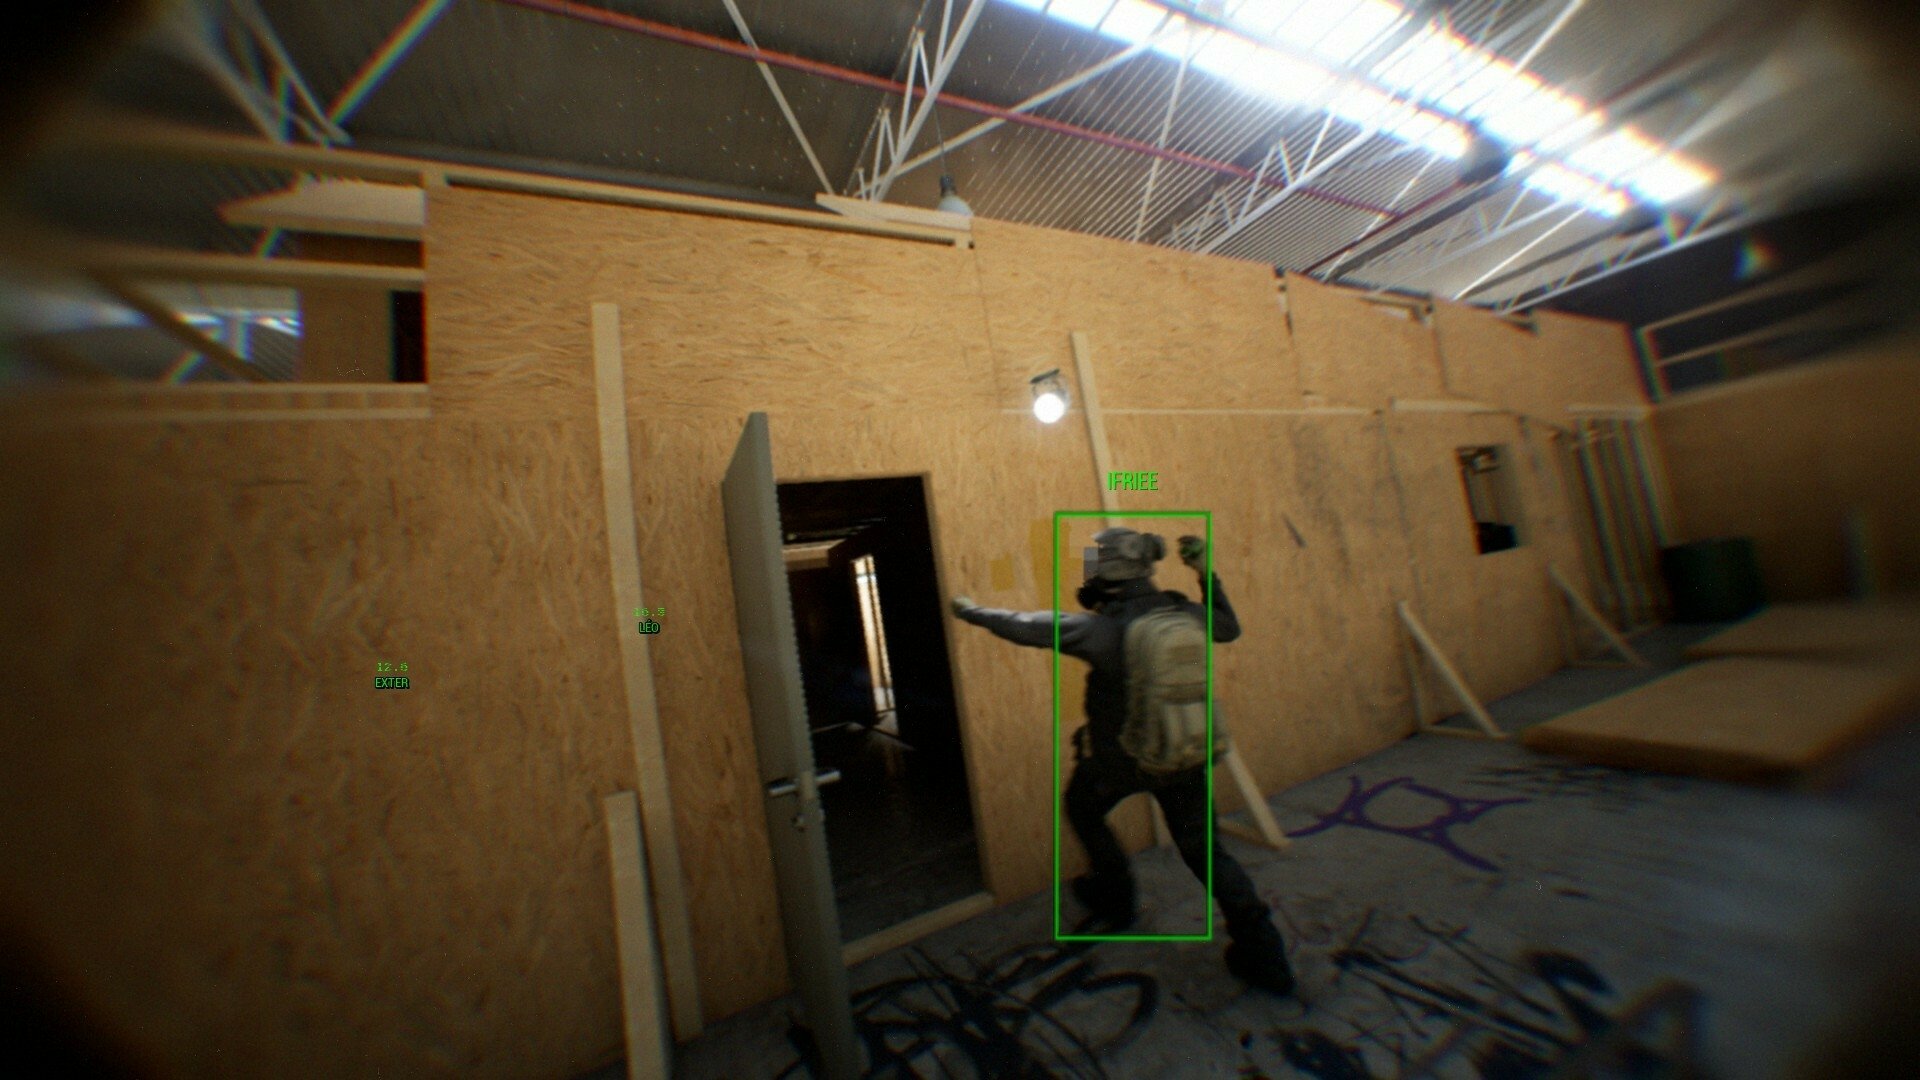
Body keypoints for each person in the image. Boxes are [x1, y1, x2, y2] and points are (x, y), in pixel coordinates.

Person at [948, 528, 1294, 994]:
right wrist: (1204, 572)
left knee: (1081, 808)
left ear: (1108, 574)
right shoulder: (1186, 614)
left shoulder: (1102, 630)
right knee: (1207, 853)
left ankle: (1116, 897)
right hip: (1185, 759)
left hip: (1122, 766)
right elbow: (1229, 627)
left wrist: (970, 611)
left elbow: (1025, 625)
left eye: (1092, 566)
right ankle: (1266, 954)